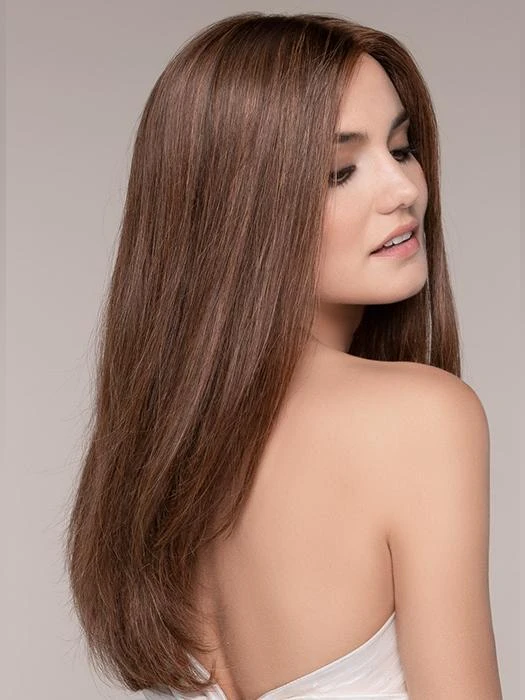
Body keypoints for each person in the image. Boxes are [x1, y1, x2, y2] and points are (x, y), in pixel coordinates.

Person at [65, 11, 503, 700]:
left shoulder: (159, 464)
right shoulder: (422, 416)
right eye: (340, 172)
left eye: (401, 148)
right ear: (240, 209)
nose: (404, 190)